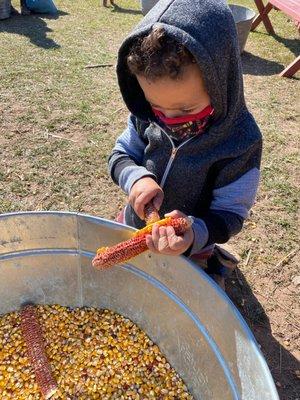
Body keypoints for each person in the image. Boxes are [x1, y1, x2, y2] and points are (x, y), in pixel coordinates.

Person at [109, 0, 262, 289]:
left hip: (191, 242)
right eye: (158, 108)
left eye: (185, 110)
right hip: (135, 225)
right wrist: (136, 177)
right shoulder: (146, 115)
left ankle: (212, 261)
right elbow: (121, 155)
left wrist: (194, 235)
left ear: (221, 83)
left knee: (177, 288)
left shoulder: (241, 142)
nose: (168, 121)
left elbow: (230, 215)